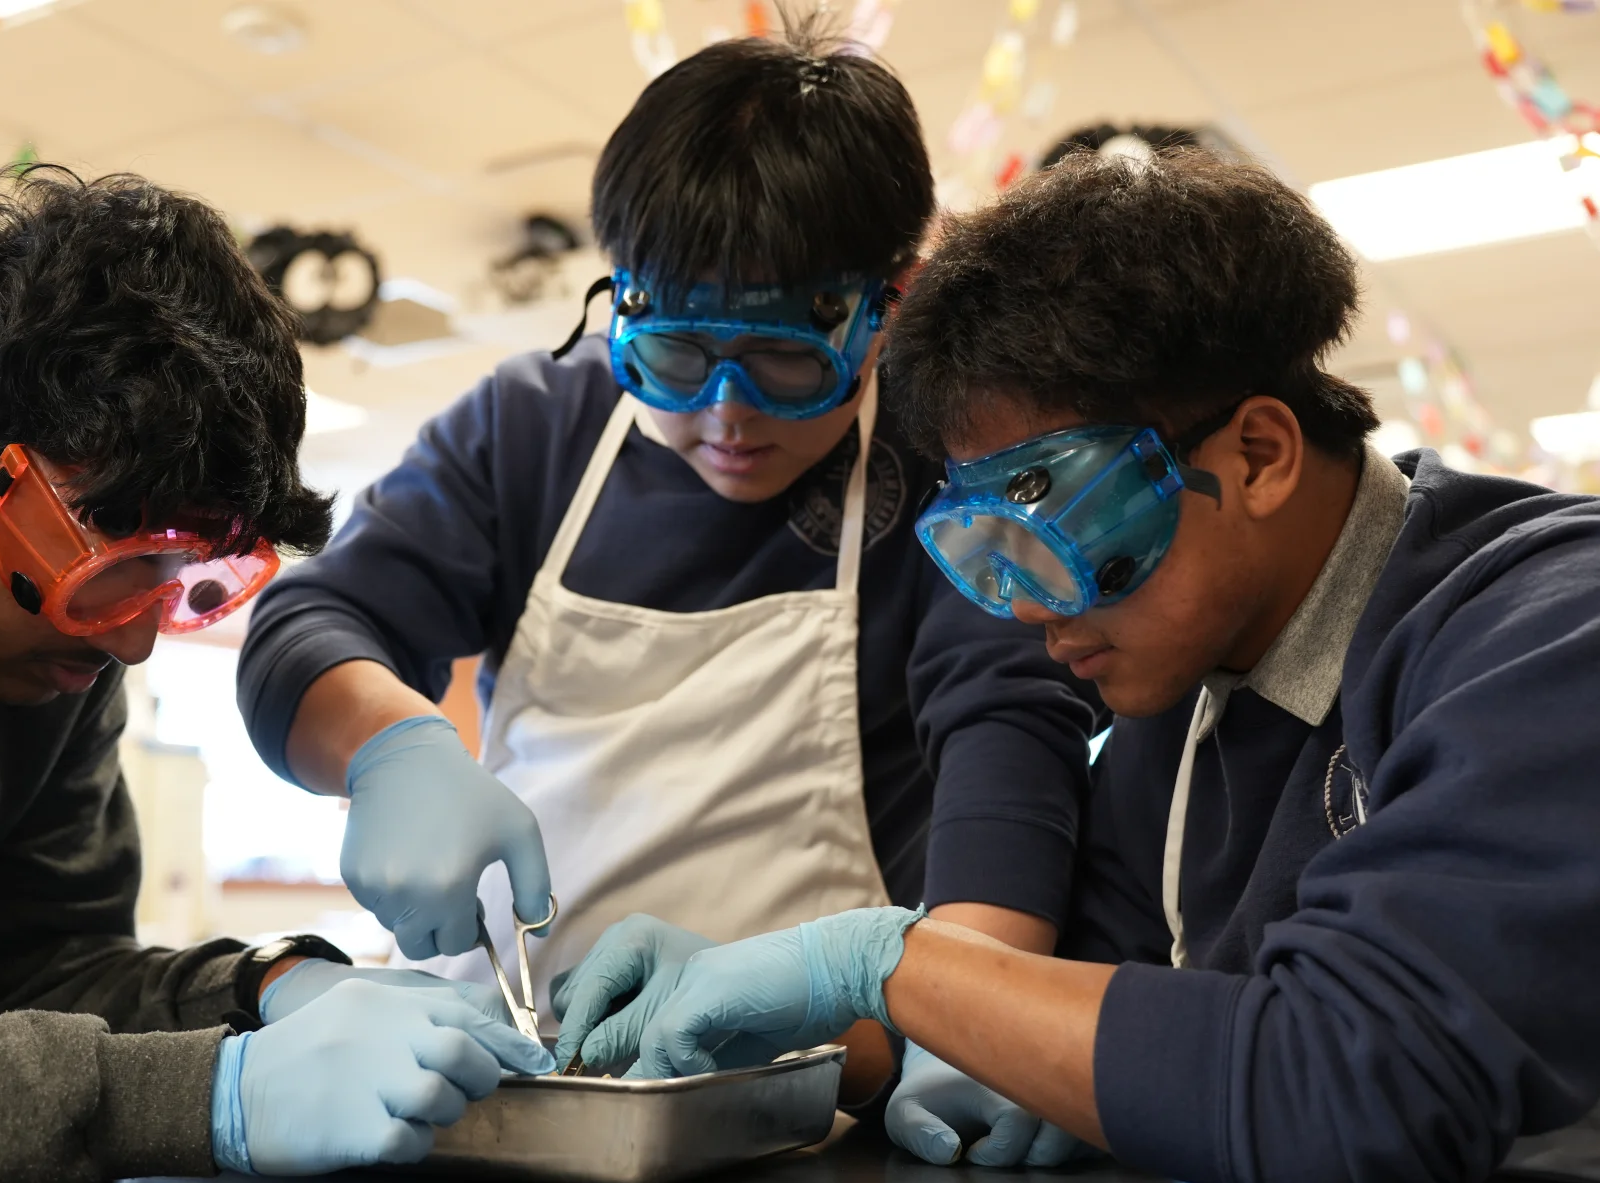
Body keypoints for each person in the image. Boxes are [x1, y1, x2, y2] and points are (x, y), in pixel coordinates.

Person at [553, 147, 1600, 1183]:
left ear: (1258, 453)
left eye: (1058, 516)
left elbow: (1356, 1087)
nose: (1021, 605)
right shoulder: (1183, 707)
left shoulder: (1559, 632)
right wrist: (780, 1023)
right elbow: (1043, 1004)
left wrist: (872, 960)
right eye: (985, 543)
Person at [235, 27, 1098, 1107]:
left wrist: (977, 1027)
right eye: (678, 358)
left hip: (805, 1091)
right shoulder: (533, 427)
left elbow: (1009, 738)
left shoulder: (942, 465)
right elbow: (306, 627)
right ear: (624, 302)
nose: (728, 416)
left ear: (896, 301)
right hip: (498, 1076)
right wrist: (386, 748)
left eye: (788, 361)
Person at [0, 166, 551, 1183]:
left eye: (181, 576)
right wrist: (211, 1095)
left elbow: (32, 975)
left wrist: (272, 985)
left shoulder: (50, 639)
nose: (136, 640)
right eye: (112, 559)